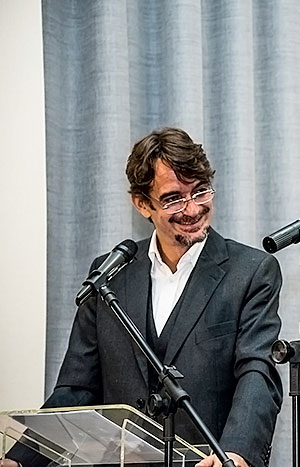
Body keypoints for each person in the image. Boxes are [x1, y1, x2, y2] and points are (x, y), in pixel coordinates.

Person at [2, 128, 283, 467]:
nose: (193, 209)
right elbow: (77, 389)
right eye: (173, 198)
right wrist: (21, 460)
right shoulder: (109, 275)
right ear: (142, 203)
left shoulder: (252, 271)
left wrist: (236, 453)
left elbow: (257, 370)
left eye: (200, 192)